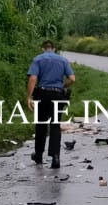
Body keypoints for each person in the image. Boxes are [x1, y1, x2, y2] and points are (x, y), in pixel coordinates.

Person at [26, 39, 74, 168]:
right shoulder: (63, 60)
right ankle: (56, 157)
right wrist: (62, 86)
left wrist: (29, 96)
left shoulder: (38, 59)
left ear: (43, 48)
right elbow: (72, 78)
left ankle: (39, 155)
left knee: (41, 124)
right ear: (54, 48)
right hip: (58, 95)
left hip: (42, 94)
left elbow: (33, 78)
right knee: (55, 125)